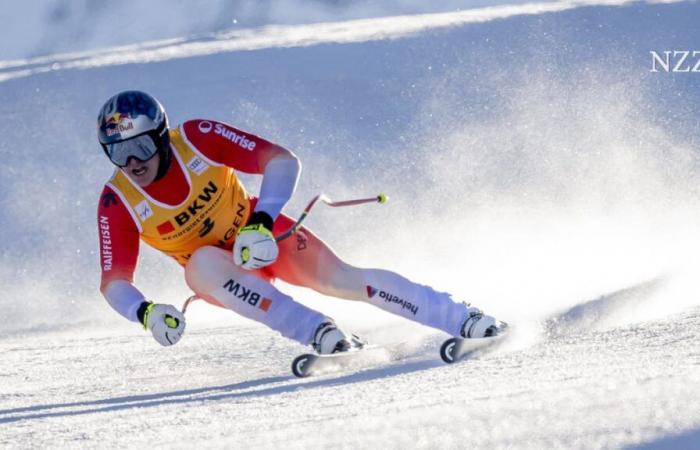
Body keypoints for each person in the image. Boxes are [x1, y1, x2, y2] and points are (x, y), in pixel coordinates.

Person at [96, 90, 501, 353]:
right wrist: (146, 313)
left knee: (340, 280)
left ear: (162, 136)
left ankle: (460, 316)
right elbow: (114, 282)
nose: (132, 163)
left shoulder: (196, 137)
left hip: (263, 235)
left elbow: (281, 160)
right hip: (224, 276)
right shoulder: (119, 200)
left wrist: (261, 220)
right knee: (201, 264)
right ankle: (317, 332)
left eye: (141, 146)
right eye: (117, 153)